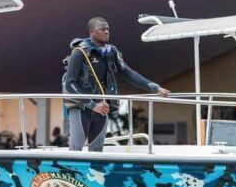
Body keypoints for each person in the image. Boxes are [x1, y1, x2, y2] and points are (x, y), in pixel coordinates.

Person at [64, 17, 170, 152]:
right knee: (76, 149)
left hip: (103, 107)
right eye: (102, 29)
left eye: (108, 29)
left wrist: (155, 87)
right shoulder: (79, 52)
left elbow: (129, 73)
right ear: (92, 31)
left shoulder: (111, 52)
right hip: (82, 107)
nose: (107, 31)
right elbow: (70, 83)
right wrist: (92, 105)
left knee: (97, 150)